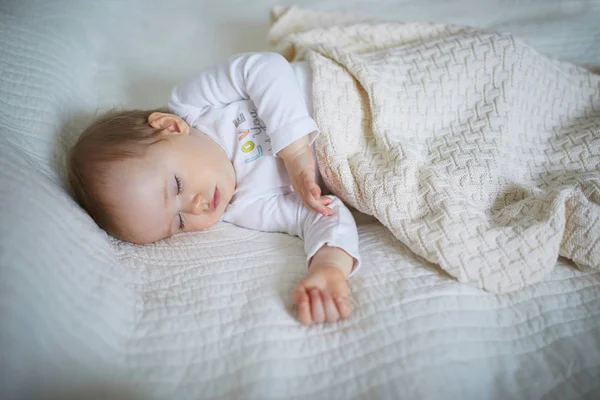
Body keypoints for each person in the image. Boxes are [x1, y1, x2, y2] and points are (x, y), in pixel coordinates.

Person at [68, 52, 361, 326]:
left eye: (177, 186)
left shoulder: (195, 106)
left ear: (170, 127)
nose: (196, 206)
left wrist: (295, 151)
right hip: (359, 146)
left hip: (337, 89)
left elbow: (264, 66)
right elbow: (320, 212)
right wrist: (329, 266)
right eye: (180, 222)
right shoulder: (245, 207)